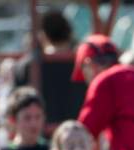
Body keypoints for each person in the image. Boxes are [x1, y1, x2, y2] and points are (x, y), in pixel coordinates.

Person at [14, 8, 87, 136]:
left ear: (43, 35)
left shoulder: (27, 66)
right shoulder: (86, 64)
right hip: (80, 137)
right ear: (69, 32)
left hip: (40, 137)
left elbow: (17, 104)